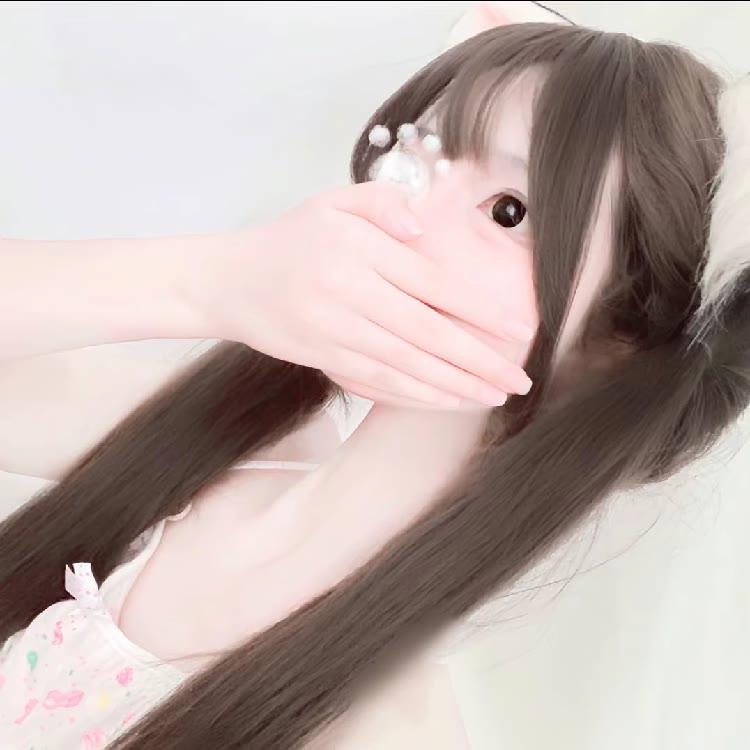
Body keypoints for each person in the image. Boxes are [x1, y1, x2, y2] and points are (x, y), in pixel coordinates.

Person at [2, 15, 749, 750]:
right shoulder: (222, 452)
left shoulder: (388, 725)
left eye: (507, 211)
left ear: (613, 348)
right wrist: (211, 281)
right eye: (419, 155)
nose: (402, 209)